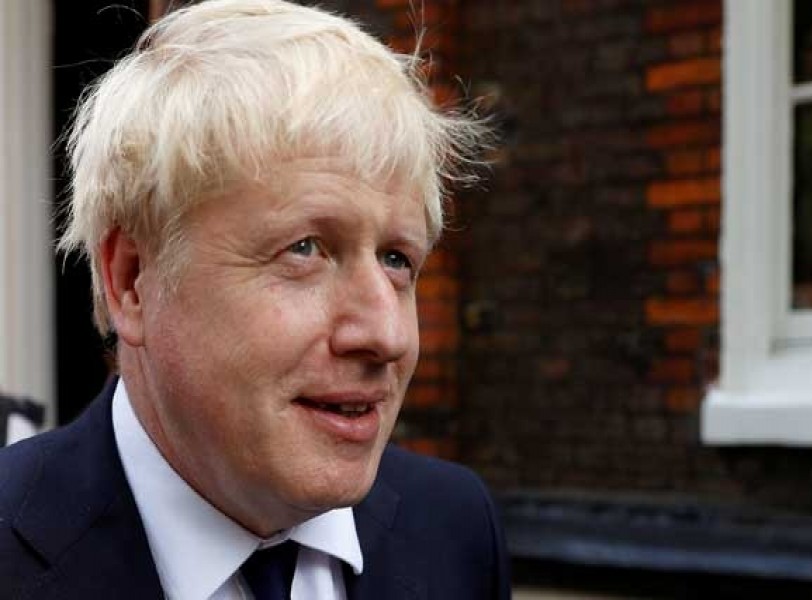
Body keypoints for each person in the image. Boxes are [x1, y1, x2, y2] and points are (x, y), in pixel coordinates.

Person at [0, 1, 509, 598]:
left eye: (397, 258)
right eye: (306, 249)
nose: (386, 335)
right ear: (133, 280)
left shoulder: (456, 529)